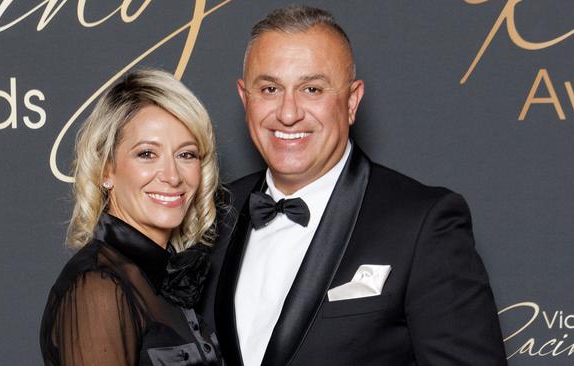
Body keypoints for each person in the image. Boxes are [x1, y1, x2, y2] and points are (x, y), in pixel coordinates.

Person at [199, 5, 507, 366]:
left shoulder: (423, 225)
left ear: (352, 101)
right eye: (269, 88)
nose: (287, 112)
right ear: (245, 98)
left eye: (312, 89)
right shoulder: (212, 214)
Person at [40, 69, 223, 365]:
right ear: (106, 170)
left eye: (186, 154)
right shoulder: (98, 287)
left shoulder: (163, 276)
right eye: (147, 154)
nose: (173, 176)